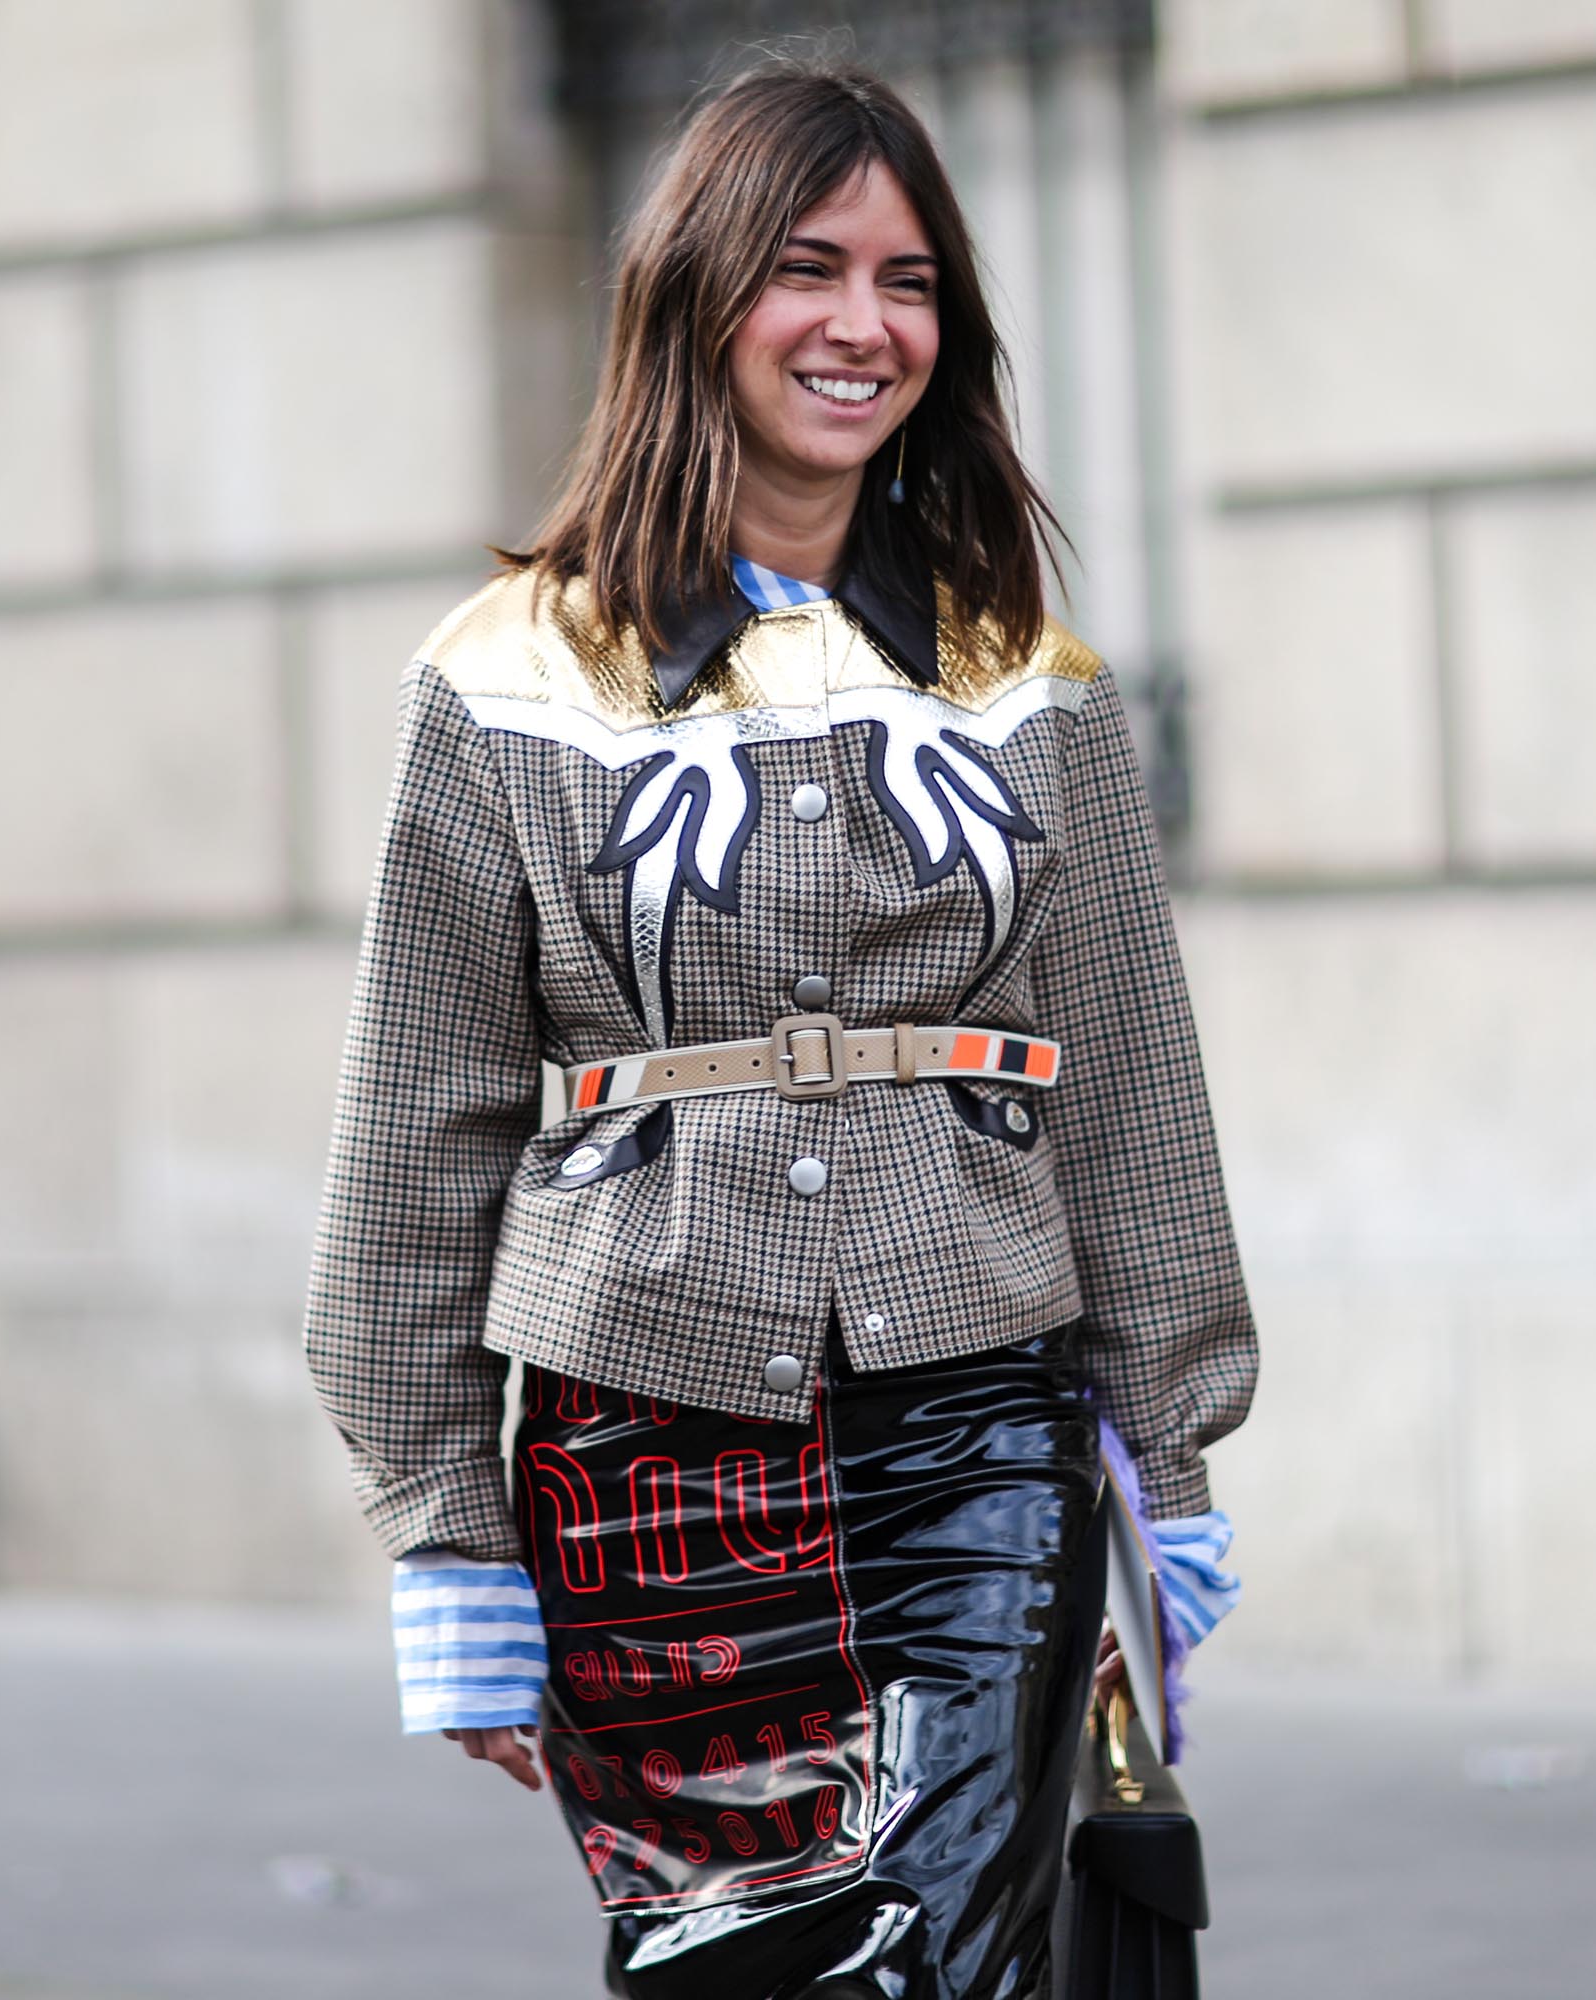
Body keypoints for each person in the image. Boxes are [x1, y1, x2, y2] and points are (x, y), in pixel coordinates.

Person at [302, 58, 1257, 2000]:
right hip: (631, 1458)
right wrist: (446, 1532)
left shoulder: (1030, 683)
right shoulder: (506, 682)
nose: (862, 326)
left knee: (932, 1964)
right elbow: (418, 1136)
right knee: (727, 1966)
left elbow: (1137, 1100)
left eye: (909, 284)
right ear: (699, 298)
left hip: (973, 1432)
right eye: (809, 270)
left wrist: (1175, 1456)